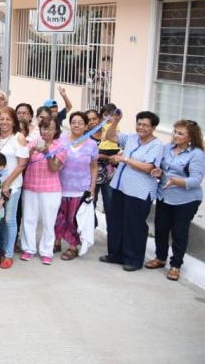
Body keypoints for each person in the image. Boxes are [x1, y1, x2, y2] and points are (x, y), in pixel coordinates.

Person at [100, 111, 164, 272]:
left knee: (134, 226)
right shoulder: (131, 138)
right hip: (120, 187)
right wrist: (115, 122)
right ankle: (116, 254)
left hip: (139, 191)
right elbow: (110, 136)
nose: (141, 127)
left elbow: (149, 167)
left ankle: (133, 259)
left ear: (153, 127)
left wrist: (124, 159)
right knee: (116, 222)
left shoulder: (157, 145)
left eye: (145, 125)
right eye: (139, 123)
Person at [146, 120, 204, 281]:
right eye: (175, 132)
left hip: (185, 200)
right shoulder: (166, 148)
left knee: (179, 233)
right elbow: (160, 169)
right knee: (161, 229)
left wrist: (176, 181)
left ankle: (176, 265)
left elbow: (195, 181)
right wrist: (157, 172)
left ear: (190, 137)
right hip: (165, 196)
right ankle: (160, 258)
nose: (175, 136)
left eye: (180, 133)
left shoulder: (197, 154)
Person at [0, 106, 29, 269]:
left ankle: (8, 254)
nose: (4, 122)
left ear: (14, 121)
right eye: (1, 119)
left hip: (12, 186)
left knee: (9, 219)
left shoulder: (19, 137)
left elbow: (21, 165)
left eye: (8, 119)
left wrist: (7, 184)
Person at [21, 116, 67, 265]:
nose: (46, 131)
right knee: (29, 219)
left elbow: (54, 168)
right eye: (44, 128)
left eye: (50, 128)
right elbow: (22, 162)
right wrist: (31, 151)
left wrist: (47, 153)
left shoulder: (61, 146)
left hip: (51, 189)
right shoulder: (33, 143)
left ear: (56, 130)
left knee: (48, 221)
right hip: (30, 186)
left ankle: (46, 251)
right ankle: (28, 249)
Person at [55, 112, 98, 260]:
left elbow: (93, 166)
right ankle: (57, 241)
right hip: (60, 186)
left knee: (73, 219)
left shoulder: (91, 144)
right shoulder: (61, 140)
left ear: (86, 126)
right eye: (73, 122)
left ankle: (72, 247)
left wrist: (92, 188)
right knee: (58, 217)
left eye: (80, 122)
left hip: (80, 188)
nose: (76, 125)